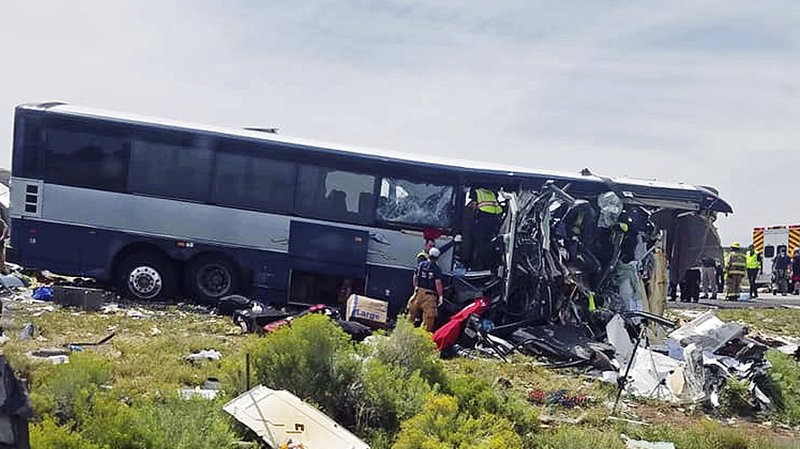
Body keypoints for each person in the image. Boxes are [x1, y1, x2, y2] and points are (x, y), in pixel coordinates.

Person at [407, 247, 443, 332]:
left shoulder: (421, 265)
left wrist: (416, 288)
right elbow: (438, 283)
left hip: (418, 292)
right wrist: (441, 296)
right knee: (428, 319)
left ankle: (405, 333)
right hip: (429, 296)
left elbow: (415, 277)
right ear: (437, 258)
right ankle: (423, 338)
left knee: (411, 315)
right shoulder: (436, 269)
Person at [468, 188, 502, 270]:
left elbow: (472, 207)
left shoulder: (477, 192)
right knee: (488, 246)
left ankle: (476, 266)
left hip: (482, 222)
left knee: (478, 245)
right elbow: (499, 210)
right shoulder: (492, 194)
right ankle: (488, 266)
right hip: (492, 225)